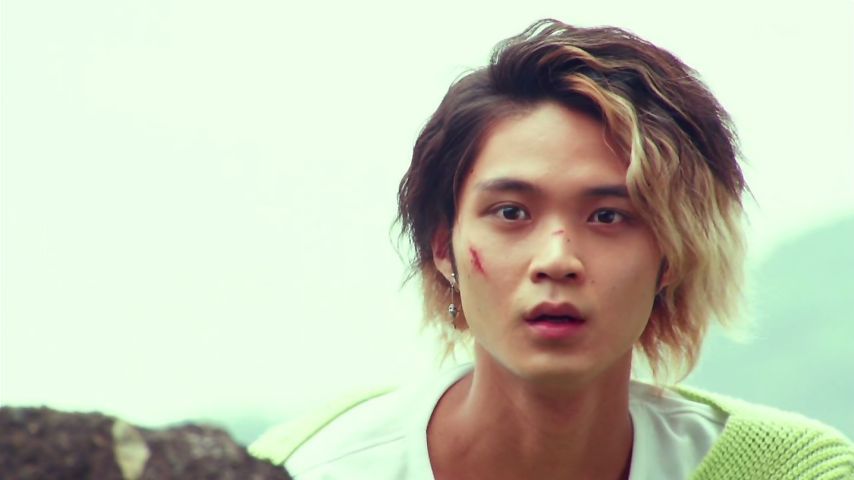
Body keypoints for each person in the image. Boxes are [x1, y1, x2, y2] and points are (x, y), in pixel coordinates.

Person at [250, 18, 854, 479]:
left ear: (671, 255)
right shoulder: (306, 468)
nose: (557, 260)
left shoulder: (789, 471)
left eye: (609, 216)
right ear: (443, 248)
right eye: (511, 213)